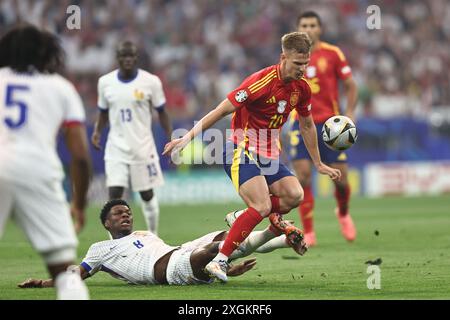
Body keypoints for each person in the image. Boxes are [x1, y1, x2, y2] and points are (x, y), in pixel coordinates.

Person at [163, 32, 340, 282]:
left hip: (268, 154)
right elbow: (221, 110)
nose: (302, 69)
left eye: (306, 63)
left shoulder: (302, 89)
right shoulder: (260, 82)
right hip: (239, 148)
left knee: (294, 195)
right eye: (297, 63)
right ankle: (219, 261)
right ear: (283, 57)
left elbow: (308, 126)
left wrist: (318, 163)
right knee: (262, 205)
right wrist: (187, 137)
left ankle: (244, 217)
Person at [18, 199, 307, 288]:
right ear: (106, 223)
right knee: (209, 251)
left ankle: (272, 234)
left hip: (177, 252)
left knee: (225, 238)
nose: (126, 216)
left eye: (128, 212)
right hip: (168, 270)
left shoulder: (143, 234)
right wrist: (44, 283)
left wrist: (222, 268)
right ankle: (271, 233)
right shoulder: (100, 250)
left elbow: (173, 250)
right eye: (119, 214)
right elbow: (76, 274)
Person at [0, 25, 91, 299]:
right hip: (37, 170)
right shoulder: (60, 88)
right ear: (49, 53)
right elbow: (80, 156)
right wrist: (79, 204)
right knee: (64, 273)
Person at [289, 12, 359, 246]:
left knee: (340, 179)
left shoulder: (333, 53)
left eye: (312, 25)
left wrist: (349, 112)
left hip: (331, 125)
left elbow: (350, 85)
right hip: (300, 122)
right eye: (304, 25)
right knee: (303, 176)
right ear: (298, 29)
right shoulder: (290, 57)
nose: (308, 28)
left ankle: (343, 212)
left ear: (320, 29)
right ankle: (308, 231)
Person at [91, 41, 172, 235]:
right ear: (117, 58)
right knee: (114, 195)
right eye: (123, 56)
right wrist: (97, 131)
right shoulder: (105, 82)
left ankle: (153, 235)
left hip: (142, 146)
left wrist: (170, 136)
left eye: (131, 56)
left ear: (136, 58)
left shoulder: (151, 81)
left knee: (146, 194)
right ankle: (116, 244)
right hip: (116, 146)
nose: (127, 59)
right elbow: (103, 112)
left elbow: (162, 111)